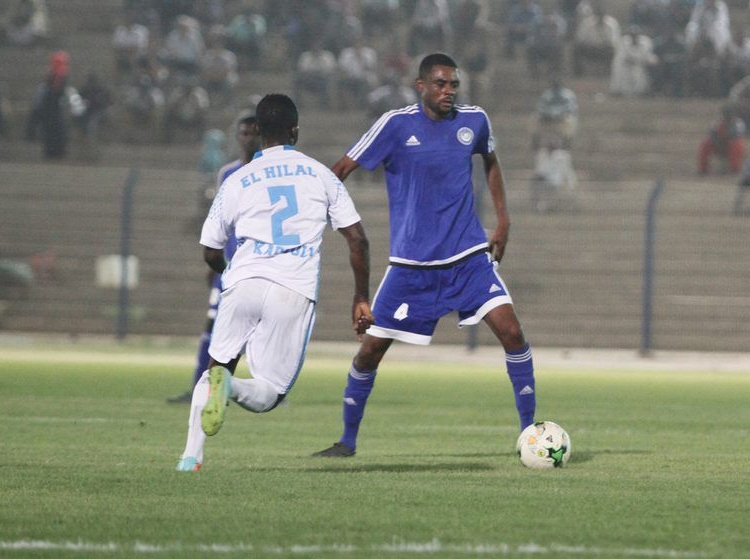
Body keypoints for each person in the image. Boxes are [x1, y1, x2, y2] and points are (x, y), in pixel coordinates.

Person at [313, 53, 536, 458]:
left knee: (513, 333)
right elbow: (342, 168)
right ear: (421, 86)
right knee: (369, 352)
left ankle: (529, 436)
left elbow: (491, 162)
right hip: (411, 268)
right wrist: (314, 210)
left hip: (468, 258)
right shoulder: (395, 125)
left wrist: (503, 221)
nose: (448, 91)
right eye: (440, 84)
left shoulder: (475, 121)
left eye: (453, 84)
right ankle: (346, 441)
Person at [175, 94, 372, 471]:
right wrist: (360, 296)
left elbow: (210, 250)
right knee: (269, 393)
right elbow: (357, 239)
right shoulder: (320, 174)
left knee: (217, 365)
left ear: (259, 131)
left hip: (243, 281)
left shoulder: (238, 179)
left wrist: (229, 269)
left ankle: (190, 458)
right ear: (295, 131)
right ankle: (228, 387)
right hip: (291, 289)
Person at [167, 114, 258, 404]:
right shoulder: (227, 173)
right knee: (213, 325)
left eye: (251, 133)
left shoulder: (269, 171)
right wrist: (213, 258)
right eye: (242, 133)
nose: (246, 138)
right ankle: (199, 386)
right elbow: (221, 219)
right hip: (228, 265)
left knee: (259, 329)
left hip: (257, 264)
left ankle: (267, 388)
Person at [698, 106, 745, 175]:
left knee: (737, 143)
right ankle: (703, 168)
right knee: (706, 143)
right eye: (725, 113)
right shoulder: (717, 122)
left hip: (732, 147)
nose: (727, 115)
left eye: (729, 113)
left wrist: (723, 141)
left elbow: (734, 136)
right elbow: (712, 135)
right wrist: (717, 142)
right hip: (719, 145)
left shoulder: (739, 123)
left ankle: (735, 168)